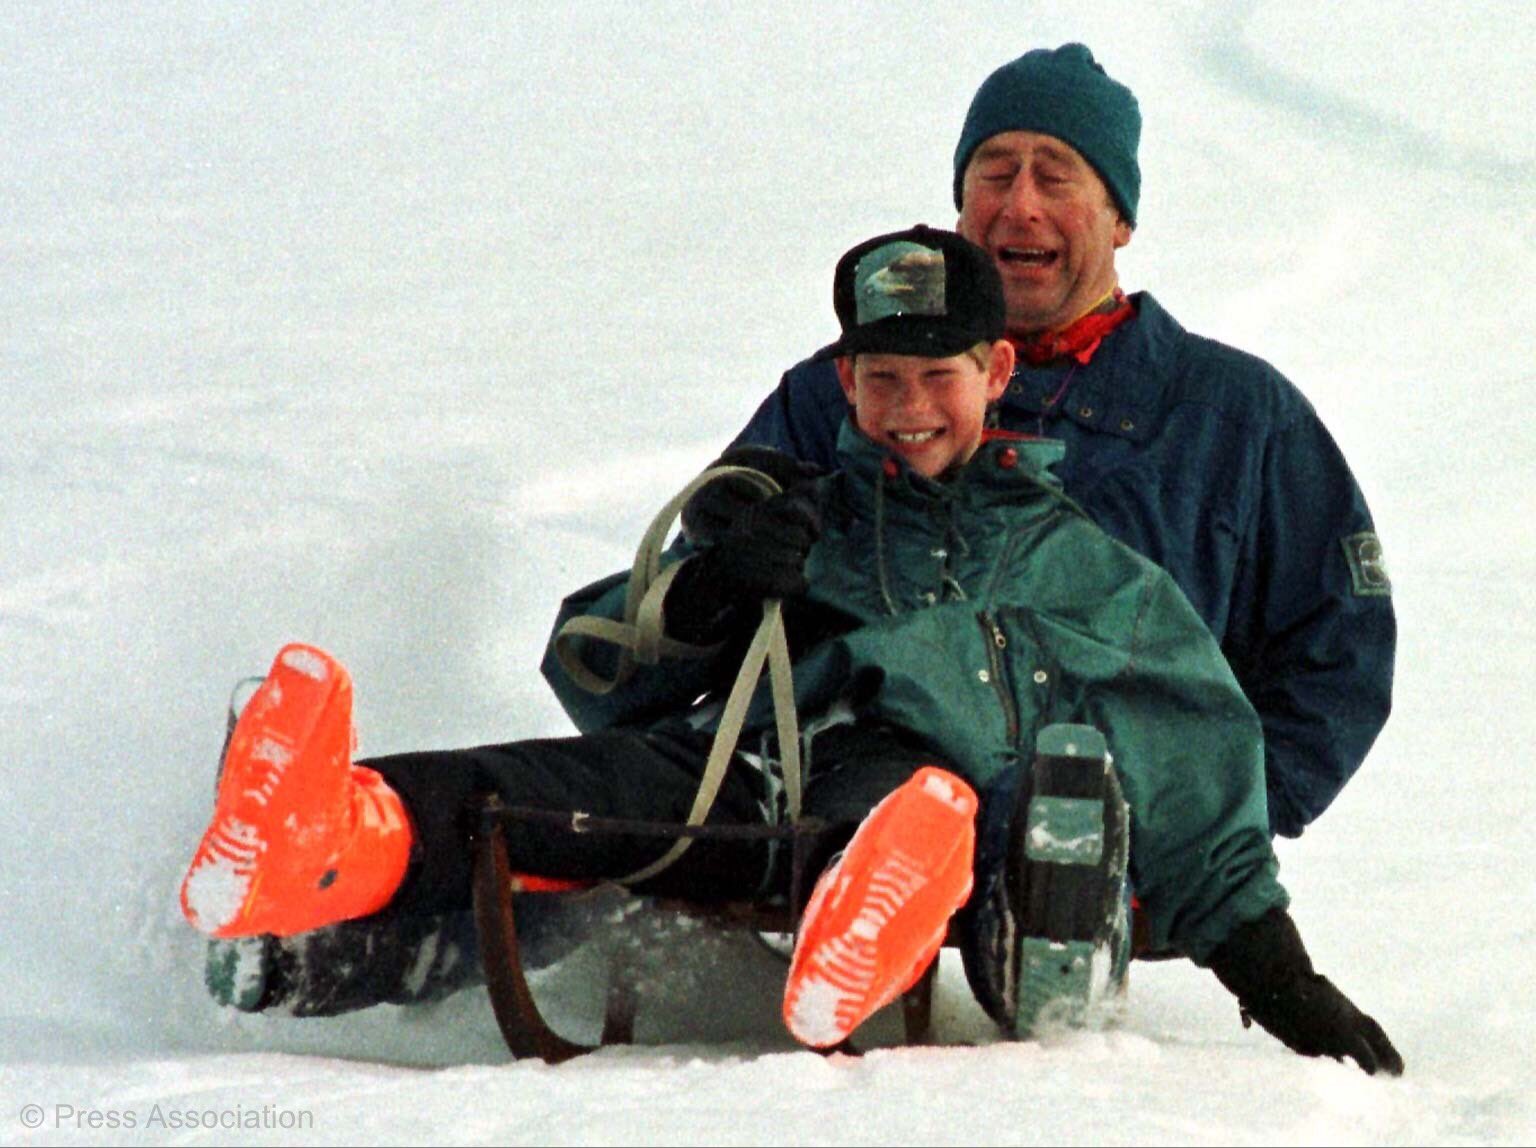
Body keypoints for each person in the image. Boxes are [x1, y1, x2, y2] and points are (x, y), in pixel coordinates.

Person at [181, 226, 1400, 1073]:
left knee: (911, 787)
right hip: (750, 777)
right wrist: (714, 585)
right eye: (881, 378)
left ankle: (873, 912)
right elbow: (595, 663)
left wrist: (1280, 978)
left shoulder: (1084, 565)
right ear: (844, 380)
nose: (910, 404)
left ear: (997, 371)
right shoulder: (812, 511)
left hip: (927, 809)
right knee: (569, 790)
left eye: (938, 374)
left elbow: (1195, 758)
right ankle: (331, 832)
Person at [700, 45, 1395, 843]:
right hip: (836, 810)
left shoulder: (1238, 416)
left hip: (1088, 846)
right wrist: (732, 554)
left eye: (1056, 174)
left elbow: (1338, 650)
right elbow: (692, 584)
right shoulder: (837, 389)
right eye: (994, 173)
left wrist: (1210, 827)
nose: (1020, 204)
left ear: (1121, 217)